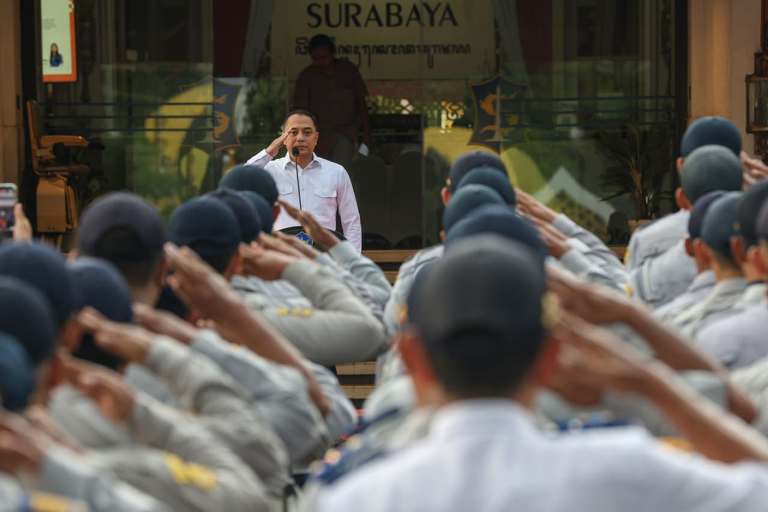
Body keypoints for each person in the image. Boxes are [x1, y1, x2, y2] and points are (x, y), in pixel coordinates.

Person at [310, 235, 768, 512]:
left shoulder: (354, 498)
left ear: (410, 360)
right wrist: (648, 382)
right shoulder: (619, 466)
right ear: (551, 357)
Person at [246, 109, 363, 252]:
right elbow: (241, 180)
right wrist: (270, 151)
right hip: (281, 255)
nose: (300, 138)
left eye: (307, 133)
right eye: (293, 132)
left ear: (316, 138)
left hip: (325, 256)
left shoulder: (336, 172)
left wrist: (352, 261)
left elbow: (351, 222)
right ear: (284, 137)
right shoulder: (269, 170)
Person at [292, 34, 371, 166]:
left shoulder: (348, 71)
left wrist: (367, 138)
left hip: (345, 135)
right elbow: (300, 114)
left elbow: (362, 105)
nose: (321, 62)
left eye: (324, 57)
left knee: (341, 175)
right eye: (316, 59)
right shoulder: (306, 77)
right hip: (317, 139)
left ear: (332, 53)